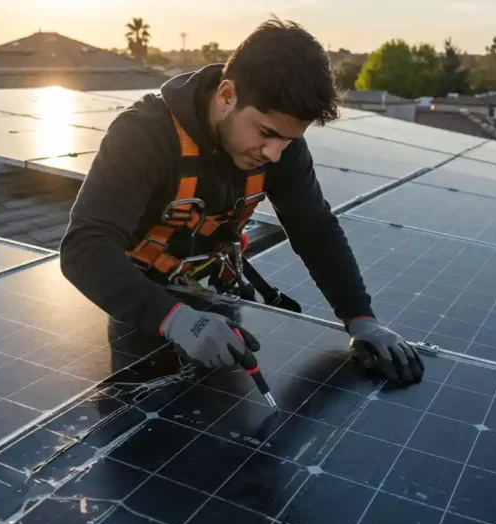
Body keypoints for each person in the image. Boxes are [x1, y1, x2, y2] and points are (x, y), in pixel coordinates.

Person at [60, 17, 424, 383]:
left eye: (289, 140)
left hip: (224, 300)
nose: (276, 153)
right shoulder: (144, 135)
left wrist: (361, 320)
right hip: (144, 308)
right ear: (226, 96)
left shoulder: (280, 146)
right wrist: (175, 319)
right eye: (267, 133)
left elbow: (315, 229)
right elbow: (85, 248)